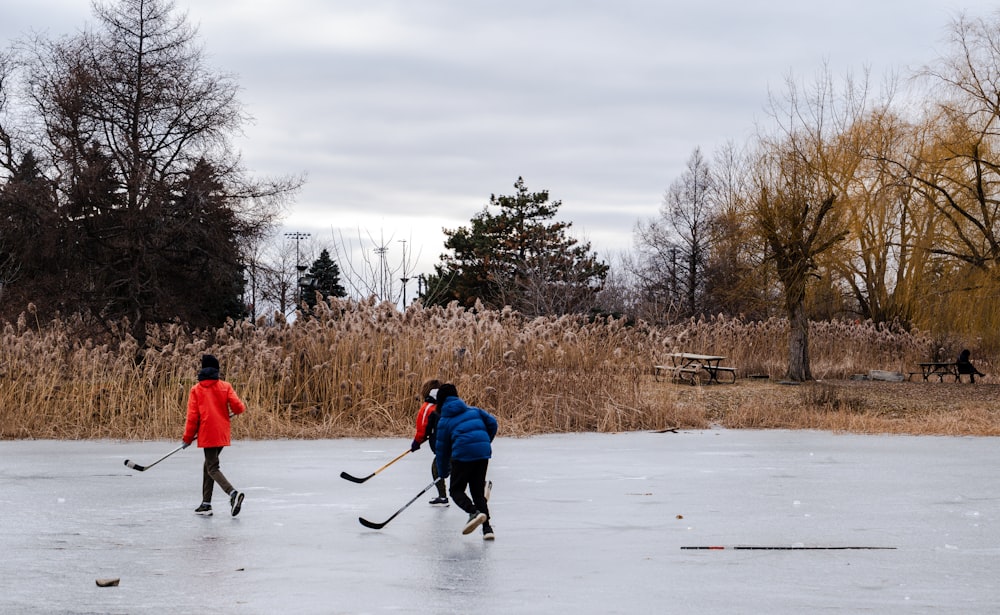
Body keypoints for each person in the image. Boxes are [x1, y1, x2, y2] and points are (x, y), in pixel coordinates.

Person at [182, 354, 247, 517]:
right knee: (208, 466)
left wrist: (187, 438)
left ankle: (232, 493)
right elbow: (238, 408)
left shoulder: (196, 390)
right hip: (221, 433)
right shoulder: (225, 386)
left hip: (208, 433)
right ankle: (206, 504)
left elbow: (193, 417)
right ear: (216, 370)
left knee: (212, 467)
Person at [434, 383, 498, 540]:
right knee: (477, 492)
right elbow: (493, 423)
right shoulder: (474, 410)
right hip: (482, 453)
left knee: (456, 490)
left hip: (463, 455)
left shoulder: (444, 420)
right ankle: (487, 529)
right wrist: (484, 441)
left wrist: (442, 473)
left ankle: (473, 512)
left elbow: (442, 451)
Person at [410, 378, 449, 506]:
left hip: (446, 447)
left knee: (436, 469)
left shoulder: (428, 407)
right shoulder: (449, 403)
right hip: (461, 443)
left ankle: (443, 496)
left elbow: (422, 428)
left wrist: (416, 443)